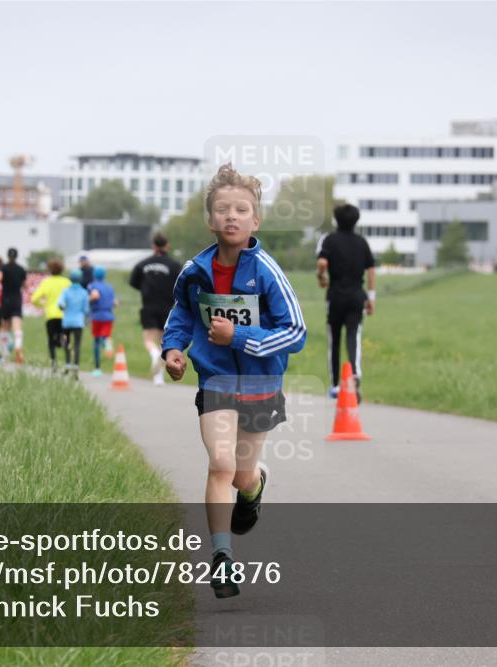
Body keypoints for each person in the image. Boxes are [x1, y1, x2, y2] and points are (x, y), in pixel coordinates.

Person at [161, 164, 306, 599]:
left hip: (261, 385)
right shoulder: (195, 270)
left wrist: (238, 335)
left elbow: (295, 332)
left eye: (242, 209)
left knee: (241, 475)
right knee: (220, 464)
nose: (232, 216)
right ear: (210, 220)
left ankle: (256, 484)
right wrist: (173, 348)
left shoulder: (266, 271)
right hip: (217, 380)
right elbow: (182, 314)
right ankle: (221, 558)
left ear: (255, 221)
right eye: (223, 209)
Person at [316, 204, 376, 403]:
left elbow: (322, 263)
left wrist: (321, 276)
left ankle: (334, 385)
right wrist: (371, 297)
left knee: (334, 340)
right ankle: (356, 373)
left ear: (336, 220)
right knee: (353, 335)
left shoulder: (330, 240)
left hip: (335, 297)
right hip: (357, 296)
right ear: (356, 221)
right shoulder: (362, 242)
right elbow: (371, 270)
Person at [130, 233, 182, 386]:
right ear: (167, 246)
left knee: (148, 339)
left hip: (148, 306)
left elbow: (134, 282)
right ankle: (158, 377)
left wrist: (146, 289)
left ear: (153, 246)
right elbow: (180, 284)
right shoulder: (174, 265)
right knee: (162, 341)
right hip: (167, 307)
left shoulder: (142, 264)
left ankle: (154, 355)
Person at [30, 259, 70, 372]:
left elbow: (34, 299)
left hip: (51, 315)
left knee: (51, 341)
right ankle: (67, 363)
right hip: (64, 315)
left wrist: (43, 304)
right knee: (66, 339)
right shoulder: (66, 282)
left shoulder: (46, 282)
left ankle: (54, 364)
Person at [57, 269, 91, 379]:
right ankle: (76, 367)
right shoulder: (84, 292)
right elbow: (86, 309)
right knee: (77, 345)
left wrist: (63, 307)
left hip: (66, 321)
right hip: (78, 322)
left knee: (65, 342)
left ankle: (67, 363)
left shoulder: (65, 291)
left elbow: (61, 303)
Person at [88, 266, 118, 377]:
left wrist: (87, 301)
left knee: (96, 341)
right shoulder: (109, 287)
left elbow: (95, 295)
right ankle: (107, 342)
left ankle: (97, 368)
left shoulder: (93, 285)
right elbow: (115, 302)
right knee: (106, 335)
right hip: (109, 315)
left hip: (97, 315)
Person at [0, 247, 28, 364]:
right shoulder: (21, 269)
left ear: (7, 256)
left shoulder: (3, 268)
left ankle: (6, 353)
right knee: (17, 327)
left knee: (5, 327)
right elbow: (25, 285)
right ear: (17, 256)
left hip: (5, 299)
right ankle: (18, 348)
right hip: (16, 299)